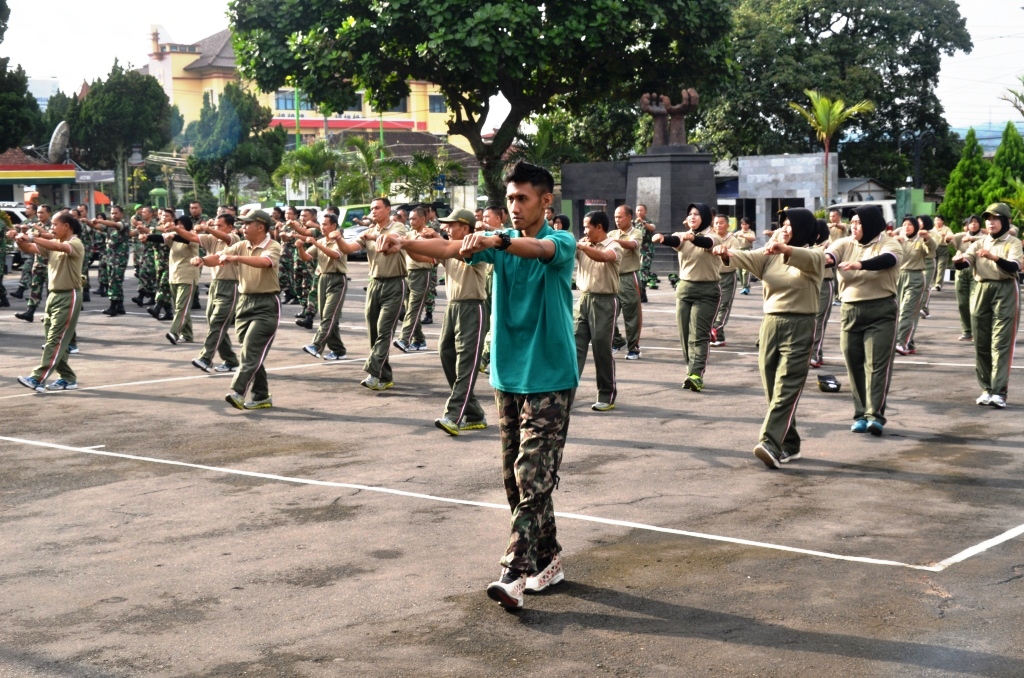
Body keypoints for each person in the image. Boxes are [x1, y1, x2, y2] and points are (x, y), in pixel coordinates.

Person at [387, 161, 577, 610]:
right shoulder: (497, 248)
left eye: (522, 198)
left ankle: (514, 571)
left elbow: (537, 250)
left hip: (550, 376)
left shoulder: (560, 241)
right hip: (508, 375)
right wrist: (403, 241)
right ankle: (548, 560)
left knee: (533, 473)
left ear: (546, 200)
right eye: (510, 198)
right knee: (518, 479)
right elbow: (449, 248)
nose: (514, 206)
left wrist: (498, 238)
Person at [712, 208, 824, 468]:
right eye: (782, 224)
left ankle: (770, 443)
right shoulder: (770, 255)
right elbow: (747, 256)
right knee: (773, 388)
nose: (784, 229)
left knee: (786, 387)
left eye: (790, 225)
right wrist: (727, 253)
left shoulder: (815, 255)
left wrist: (784, 249)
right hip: (770, 324)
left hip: (800, 324)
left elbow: (807, 258)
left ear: (804, 229)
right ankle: (791, 443)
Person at [378, 209, 490, 434]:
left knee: (466, 365)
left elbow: (447, 248)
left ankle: (454, 415)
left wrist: (405, 241)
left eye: (452, 224)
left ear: (465, 228)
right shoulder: (448, 246)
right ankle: (474, 412)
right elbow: (427, 258)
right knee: (445, 353)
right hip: (453, 308)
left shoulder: (475, 247)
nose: (447, 228)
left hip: (472, 308)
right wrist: (408, 248)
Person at [191, 209, 282, 410]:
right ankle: (262, 396)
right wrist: (203, 260)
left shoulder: (273, 246)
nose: (243, 227)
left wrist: (237, 259)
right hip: (245, 302)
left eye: (247, 224)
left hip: (266, 305)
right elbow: (220, 257)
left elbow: (265, 262)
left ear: (260, 227)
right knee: (250, 352)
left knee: (251, 349)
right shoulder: (242, 245)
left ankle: (238, 392)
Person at [825, 205, 902, 436]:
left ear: (871, 223)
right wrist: (825, 258)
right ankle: (860, 415)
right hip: (850, 311)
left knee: (877, 365)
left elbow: (888, 260)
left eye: (859, 222)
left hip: (881, 311)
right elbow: (831, 255)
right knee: (854, 363)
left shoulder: (888, 242)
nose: (854, 226)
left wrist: (860, 264)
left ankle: (874, 415)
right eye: (853, 222)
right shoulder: (846, 243)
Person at [953, 203, 1023, 409]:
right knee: (981, 342)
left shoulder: (1013, 242)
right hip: (981, 289)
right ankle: (986, 389)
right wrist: (958, 261)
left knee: (1000, 342)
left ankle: (999, 391)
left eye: (995, 218)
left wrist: (994, 257)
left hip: (1005, 289)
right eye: (988, 218)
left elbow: (1014, 266)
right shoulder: (980, 242)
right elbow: (966, 261)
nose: (990, 222)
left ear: (1006, 221)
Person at [11, 211, 85, 391]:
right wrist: (19, 240)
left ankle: (37, 378)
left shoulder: (74, 243)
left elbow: (59, 248)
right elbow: (29, 249)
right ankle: (67, 378)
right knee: (53, 340)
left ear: (66, 226)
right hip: (53, 295)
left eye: (54, 224)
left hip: (69, 295)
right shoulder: (54, 244)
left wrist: (32, 236)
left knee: (55, 339)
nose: (52, 228)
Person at [653, 203, 722, 392]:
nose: (692, 217)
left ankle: (696, 374)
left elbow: (706, 244)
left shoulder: (713, 236)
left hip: (707, 291)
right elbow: (674, 241)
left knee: (699, 336)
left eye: (697, 214)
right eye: (690, 214)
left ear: (706, 217)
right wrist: (661, 238)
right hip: (684, 289)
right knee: (684, 335)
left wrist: (691, 237)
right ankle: (690, 371)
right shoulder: (682, 236)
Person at [357, 197, 410, 391]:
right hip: (374, 284)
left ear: (388, 209)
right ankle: (384, 376)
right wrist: (338, 240)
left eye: (377, 208)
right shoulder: (369, 231)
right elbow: (348, 249)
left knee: (384, 329)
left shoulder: (398, 227)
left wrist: (372, 237)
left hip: (395, 283)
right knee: (373, 331)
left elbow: (392, 239)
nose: (373, 211)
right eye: (371, 208)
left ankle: (373, 371)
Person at [297, 212, 363, 360]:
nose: (322, 227)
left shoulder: (339, 241)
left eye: (325, 224)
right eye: (321, 224)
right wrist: (300, 247)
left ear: (334, 225)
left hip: (337, 280)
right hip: (323, 279)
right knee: (328, 317)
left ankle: (317, 345)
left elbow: (335, 255)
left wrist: (315, 243)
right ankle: (338, 350)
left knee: (329, 315)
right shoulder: (321, 241)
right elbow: (306, 257)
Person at [574, 211, 623, 410]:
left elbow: (603, 257)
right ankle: (564, 396)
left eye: (587, 227)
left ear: (599, 227)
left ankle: (606, 394)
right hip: (583, 299)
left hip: (605, 301)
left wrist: (581, 246)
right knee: (574, 348)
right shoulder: (584, 245)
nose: (585, 231)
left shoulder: (614, 245)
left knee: (602, 349)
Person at [189, 213, 241, 373]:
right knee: (214, 323)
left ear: (230, 227)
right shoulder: (213, 239)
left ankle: (205, 358)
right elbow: (193, 237)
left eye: (220, 225)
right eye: (215, 225)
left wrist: (207, 228)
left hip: (230, 285)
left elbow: (219, 253)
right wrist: (175, 229)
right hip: (215, 285)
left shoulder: (234, 239)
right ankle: (231, 360)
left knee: (218, 322)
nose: (216, 228)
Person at [140, 216, 201, 344]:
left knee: (181, 307)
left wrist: (174, 233)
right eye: (177, 224)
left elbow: (183, 237)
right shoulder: (174, 238)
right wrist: (148, 237)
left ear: (188, 226)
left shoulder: (193, 236)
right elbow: (161, 238)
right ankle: (188, 335)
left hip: (188, 277)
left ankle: (174, 333)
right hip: (174, 276)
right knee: (182, 307)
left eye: (181, 224)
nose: (178, 226)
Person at [394, 206, 438, 352]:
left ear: (423, 219)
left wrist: (433, 236)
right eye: (410, 218)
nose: (411, 221)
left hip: (422, 273)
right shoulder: (409, 234)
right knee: (408, 310)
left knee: (414, 308)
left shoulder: (429, 234)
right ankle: (419, 340)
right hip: (408, 273)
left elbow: (438, 255)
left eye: (414, 218)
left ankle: (404, 339)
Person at [893, 215, 934, 355]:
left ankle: (900, 343)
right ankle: (909, 343)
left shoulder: (921, 240)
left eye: (910, 224)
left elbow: (931, 249)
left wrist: (927, 238)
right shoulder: (899, 240)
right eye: (904, 224)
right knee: (899, 311)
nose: (906, 226)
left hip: (915, 277)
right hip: (899, 276)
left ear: (916, 226)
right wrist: (893, 241)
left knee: (907, 311)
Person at [608, 205, 643, 360]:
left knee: (631, 315)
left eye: (620, 217)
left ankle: (634, 348)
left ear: (629, 217)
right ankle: (617, 341)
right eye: (615, 217)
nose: (617, 220)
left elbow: (633, 245)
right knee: (608, 313)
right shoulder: (612, 233)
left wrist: (614, 241)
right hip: (612, 277)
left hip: (629, 277)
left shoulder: (636, 233)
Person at [88, 205, 130, 317]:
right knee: (115, 281)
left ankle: (113, 306)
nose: (114, 215)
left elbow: (114, 224)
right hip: (111, 258)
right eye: (112, 213)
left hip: (119, 259)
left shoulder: (123, 224)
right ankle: (120, 306)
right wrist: (87, 221)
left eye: (116, 213)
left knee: (114, 282)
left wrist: (101, 220)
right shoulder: (109, 227)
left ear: (121, 214)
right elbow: (97, 227)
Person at [14, 204, 53, 323]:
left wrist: (38, 230)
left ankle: (50, 315)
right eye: (39, 213)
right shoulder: (35, 226)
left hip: (50, 263)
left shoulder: (53, 225)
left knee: (51, 290)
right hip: (38, 262)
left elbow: (52, 237)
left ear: (48, 213)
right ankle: (30, 312)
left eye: (42, 213)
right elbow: (26, 240)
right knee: (35, 287)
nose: (39, 215)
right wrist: (21, 233)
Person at [950, 215, 984, 341]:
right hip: (961, 271)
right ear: (967, 225)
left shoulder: (984, 237)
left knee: (975, 304)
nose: (973, 224)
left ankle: (977, 331)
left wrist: (972, 237)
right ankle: (967, 331)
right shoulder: (961, 236)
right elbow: (950, 239)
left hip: (976, 271)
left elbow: (985, 238)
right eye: (971, 222)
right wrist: (948, 238)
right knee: (962, 303)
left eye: (976, 222)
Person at [710, 214, 741, 347]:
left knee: (724, 305)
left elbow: (735, 256)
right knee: (713, 305)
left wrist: (724, 252)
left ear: (728, 225)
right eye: (716, 223)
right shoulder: (710, 238)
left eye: (721, 222)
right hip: (712, 276)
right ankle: (719, 337)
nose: (718, 225)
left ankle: (715, 329)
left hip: (728, 276)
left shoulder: (733, 240)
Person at [809, 219, 834, 368]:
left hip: (824, 284)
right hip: (811, 284)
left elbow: (830, 260)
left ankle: (814, 354)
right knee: (811, 320)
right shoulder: (810, 245)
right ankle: (817, 353)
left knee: (819, 321)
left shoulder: (831, 246)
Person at [10, 202, 38, 299]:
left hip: (33, 251)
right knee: (32, 273)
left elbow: (34, 235)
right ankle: (33, 294)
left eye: (28, 208)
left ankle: (20, 290)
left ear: (34, 211)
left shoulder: (37, 222)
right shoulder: (24, 222)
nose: (26, 210)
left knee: (26, 270)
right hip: (24, 252)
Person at [636, 204, 660, 291]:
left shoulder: (649, 222)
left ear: (645, 212)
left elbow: (652, 228)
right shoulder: (634, 223)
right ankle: (640, 292)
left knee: (643, 269)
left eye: (641, 210)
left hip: (646, 251)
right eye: (638, 210)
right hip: (636, 250)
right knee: (637, 270)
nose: (639, 212)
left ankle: (642, 291)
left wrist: (643, 222)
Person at [917, 215, 937, 319]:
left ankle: (924, 309)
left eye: (920, 221)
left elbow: (934, 245)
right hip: (917, 261)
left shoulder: (932, 233)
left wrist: (926, 237)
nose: (918, 223)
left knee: (925, 285)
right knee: (917, 286)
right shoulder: (915, 233)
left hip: (928, 261)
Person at [931, 215, 953, 291]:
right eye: (935, 220)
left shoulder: (946, 229)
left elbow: (951, 236)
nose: (936, 221)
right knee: (934, 266)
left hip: (943, 248)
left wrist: (946, 236)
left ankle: (938, 284)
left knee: (941, 266)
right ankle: (934, 283)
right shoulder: (932, 230)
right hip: (933, 249)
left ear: (942, 221)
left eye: (938, 220)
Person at [735, 217, 756, 294]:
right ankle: (743, 286)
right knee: (739, 270)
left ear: (749, 225)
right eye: (742, 224)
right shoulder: (738, 232)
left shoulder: (750, 232)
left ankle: (746, 287)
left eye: (746, 224)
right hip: (738, 251)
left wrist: (744, 236)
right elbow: (731, 236)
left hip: (747, 250)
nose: (744, 226)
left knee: (746, 269)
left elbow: (753, 238)